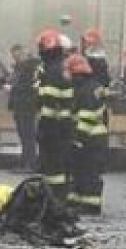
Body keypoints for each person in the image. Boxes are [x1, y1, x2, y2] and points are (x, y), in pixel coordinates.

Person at [34, 29, 75, 201]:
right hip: (64, 126)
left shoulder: (52, 71)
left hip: (53, 127)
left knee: (52, 166)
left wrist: (44, 128)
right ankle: (59, 196)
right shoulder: (61, 68)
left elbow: (49, 103)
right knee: (61, 164)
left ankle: (54, 198)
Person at [67, 53, 109, 215]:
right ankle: (76, 201)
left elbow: (87, 116)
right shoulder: (91, 86)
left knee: (89, 172)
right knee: (80, 170)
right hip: (92, 137)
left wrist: (77, 139)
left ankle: (91, 205)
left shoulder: (86, 90)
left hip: (90, 138)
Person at [8, 44, 41, 172]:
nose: (15, 57)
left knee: (28, 136)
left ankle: (30, 164)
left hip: (27, 105)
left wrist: (13, 88)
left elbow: (28, 86)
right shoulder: (19, 68)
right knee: (23, 136)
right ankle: (24, 162)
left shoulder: (29, 68)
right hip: (20, 106)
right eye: (13, 55)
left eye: (17, 54)